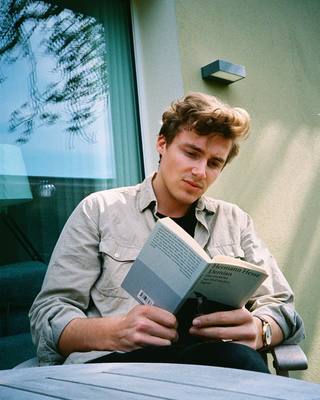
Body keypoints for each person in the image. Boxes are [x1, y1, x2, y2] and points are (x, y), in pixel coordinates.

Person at [29, 92, 304, 371]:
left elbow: (284, 309)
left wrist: (261, 329)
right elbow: (49, 314)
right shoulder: (100, 210)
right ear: (162, 143)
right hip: (124, 367)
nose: (200, 171)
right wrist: (116, 331)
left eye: (214, 163)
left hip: (220, 368)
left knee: (242, 361)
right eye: (191, 153)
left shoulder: (235, 220)